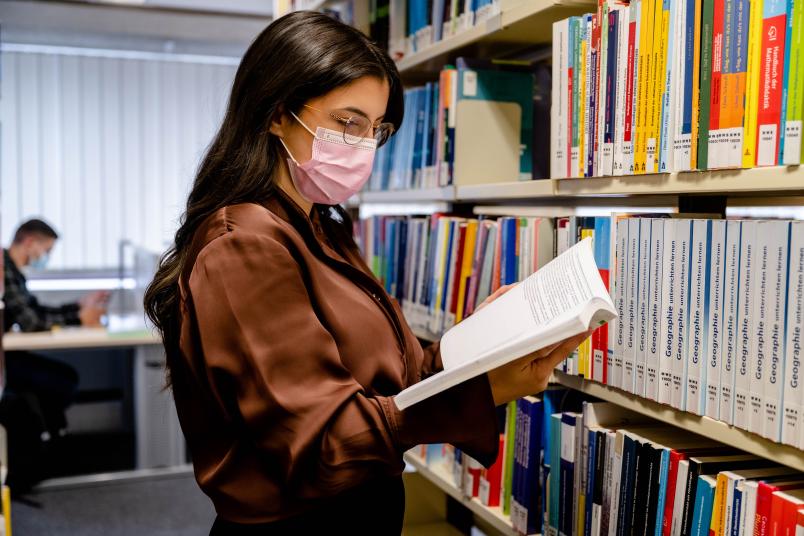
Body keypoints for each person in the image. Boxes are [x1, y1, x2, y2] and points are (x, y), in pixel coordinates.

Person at [144, 12, 589, 535]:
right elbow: (321, 439)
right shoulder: (244, 246)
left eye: (376, 129)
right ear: (276, 114)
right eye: (347, 122)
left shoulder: (321, 228)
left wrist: (477, 343)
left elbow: (381, 381)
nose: (361, 146)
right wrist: (479, 392)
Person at [1, 219, 110, 490]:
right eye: (46, 250)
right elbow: (31, 322)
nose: (46, 257)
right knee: (62, 382)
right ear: (29, 242)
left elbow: (35, 311)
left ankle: (49, 442)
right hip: (3, 363)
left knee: (64, 377)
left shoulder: (13, 271)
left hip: (8, 357)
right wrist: (79, 317)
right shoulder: (4, 270)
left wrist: (77, 308)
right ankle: (48, 447)